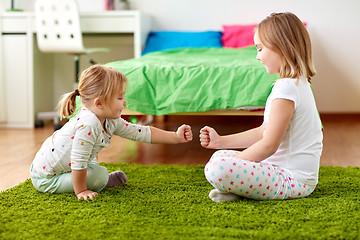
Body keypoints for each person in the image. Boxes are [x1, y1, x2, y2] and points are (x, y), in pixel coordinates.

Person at [200, 12, 323, 202]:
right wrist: (220, 142)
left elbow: (268, 145)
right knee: (219, 156)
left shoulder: (287, 89)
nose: (257, 57)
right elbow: (263, 132)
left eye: (259, 49)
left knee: (217, 168)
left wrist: (234, 164)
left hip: (293, 179)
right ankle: (239, 189)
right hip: (280, 168)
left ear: (281, 48)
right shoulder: (294, 83)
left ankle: (239, 188)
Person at [30, 65, 193, 201]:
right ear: (99, 103)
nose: (125, 102)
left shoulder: (109, 119)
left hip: (66, 166)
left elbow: (140, 132)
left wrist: (175, 137)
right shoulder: (88, 124)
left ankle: (100, 179)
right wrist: (81, 191)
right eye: (120, 98)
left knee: (94, 165)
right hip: (46, 178)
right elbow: (78, 162)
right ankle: (102, 181)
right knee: (98, 175)